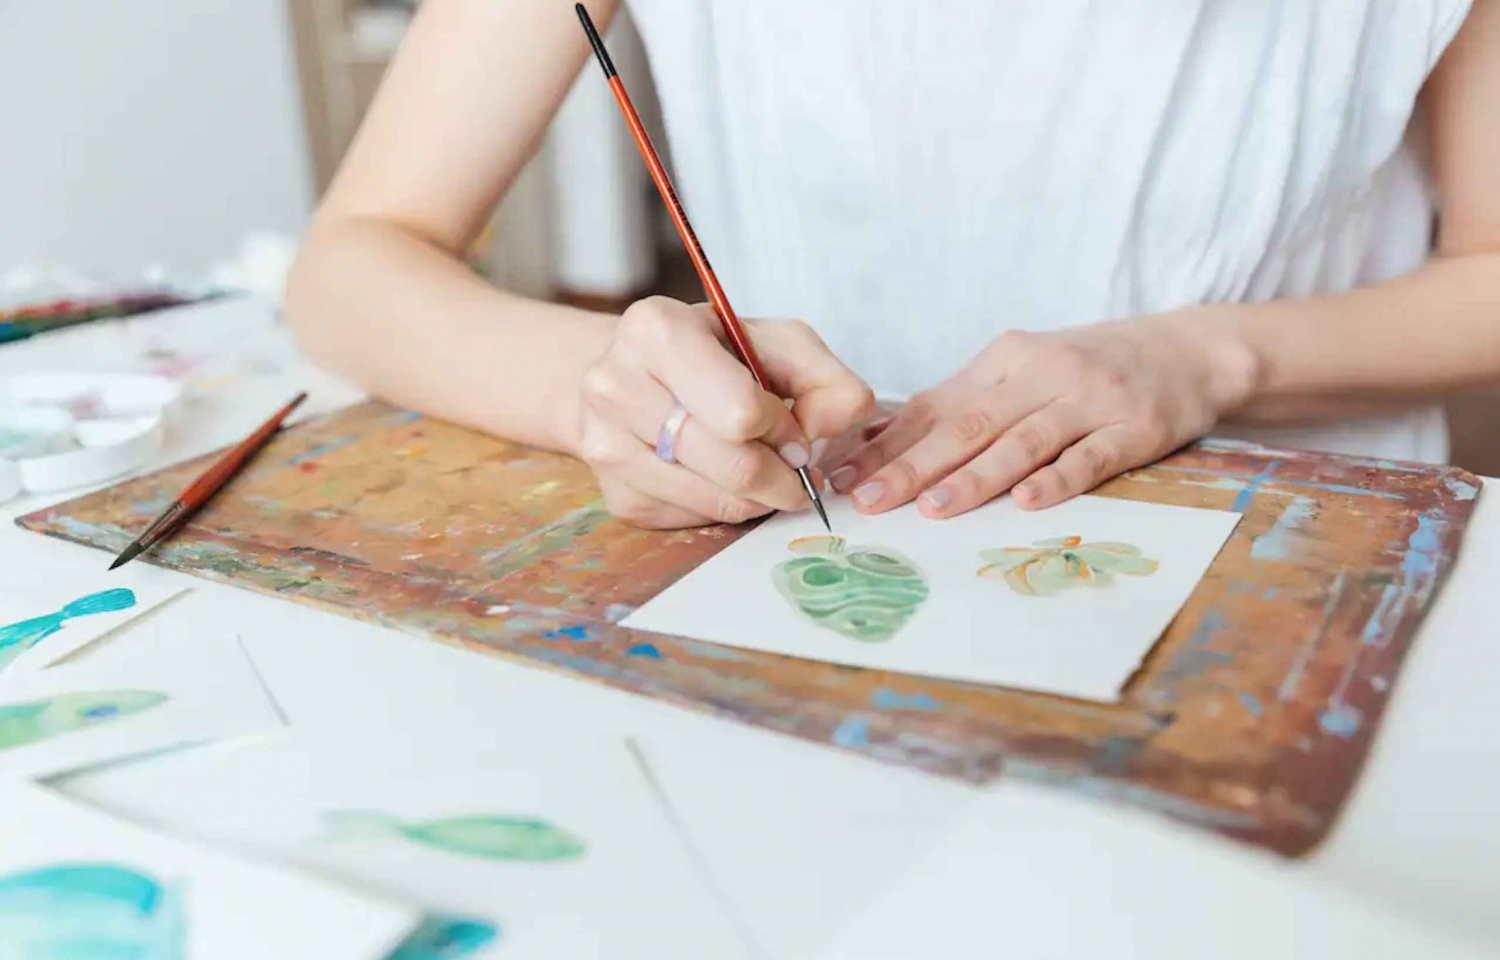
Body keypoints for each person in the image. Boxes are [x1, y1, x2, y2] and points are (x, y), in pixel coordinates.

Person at [287, 0, 1500, 529]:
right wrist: (601, 386)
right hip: (819, 555)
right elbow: (354, 264)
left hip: (1290, 577)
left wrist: (1209, 358)